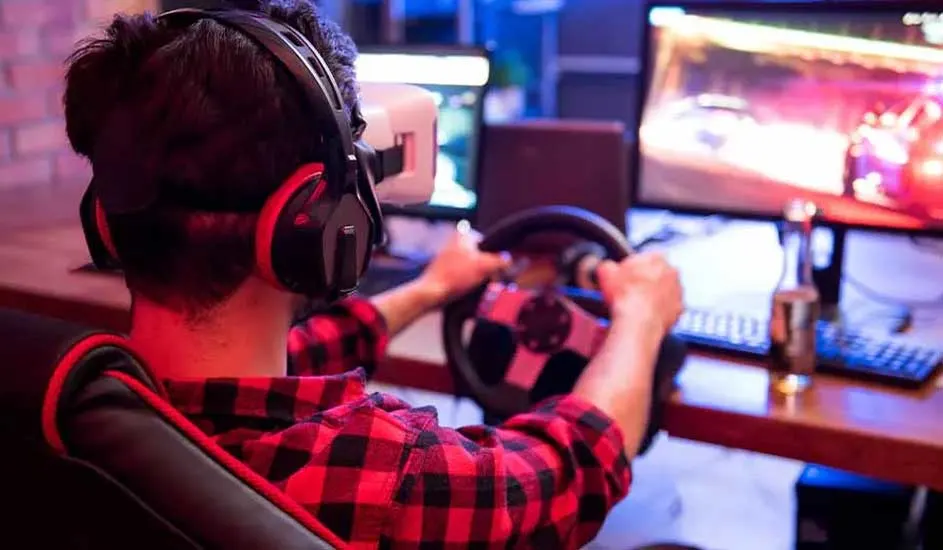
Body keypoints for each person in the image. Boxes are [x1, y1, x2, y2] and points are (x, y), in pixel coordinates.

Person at [62, 1, 683, 547]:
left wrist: (430, 290)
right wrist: (641, 315)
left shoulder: (81, 406)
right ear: (311, 229)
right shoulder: (387, 476)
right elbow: (575, 466)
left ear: (106, 223)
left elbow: (290, 358)